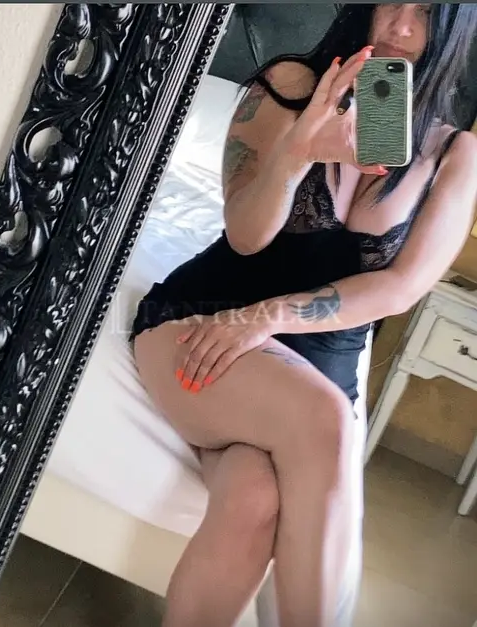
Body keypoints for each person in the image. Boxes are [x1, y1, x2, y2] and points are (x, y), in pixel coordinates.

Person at [130, 4, 477, 627]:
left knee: (253, 496)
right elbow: (244, 236)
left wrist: (269, 318)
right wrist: (298, 152)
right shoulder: (288, 86)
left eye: (426, 11)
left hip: (314, 356)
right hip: (207, 318)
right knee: (328, 424)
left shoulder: (455, 152)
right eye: (391, 2)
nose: (400, 26)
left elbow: (400, 288)